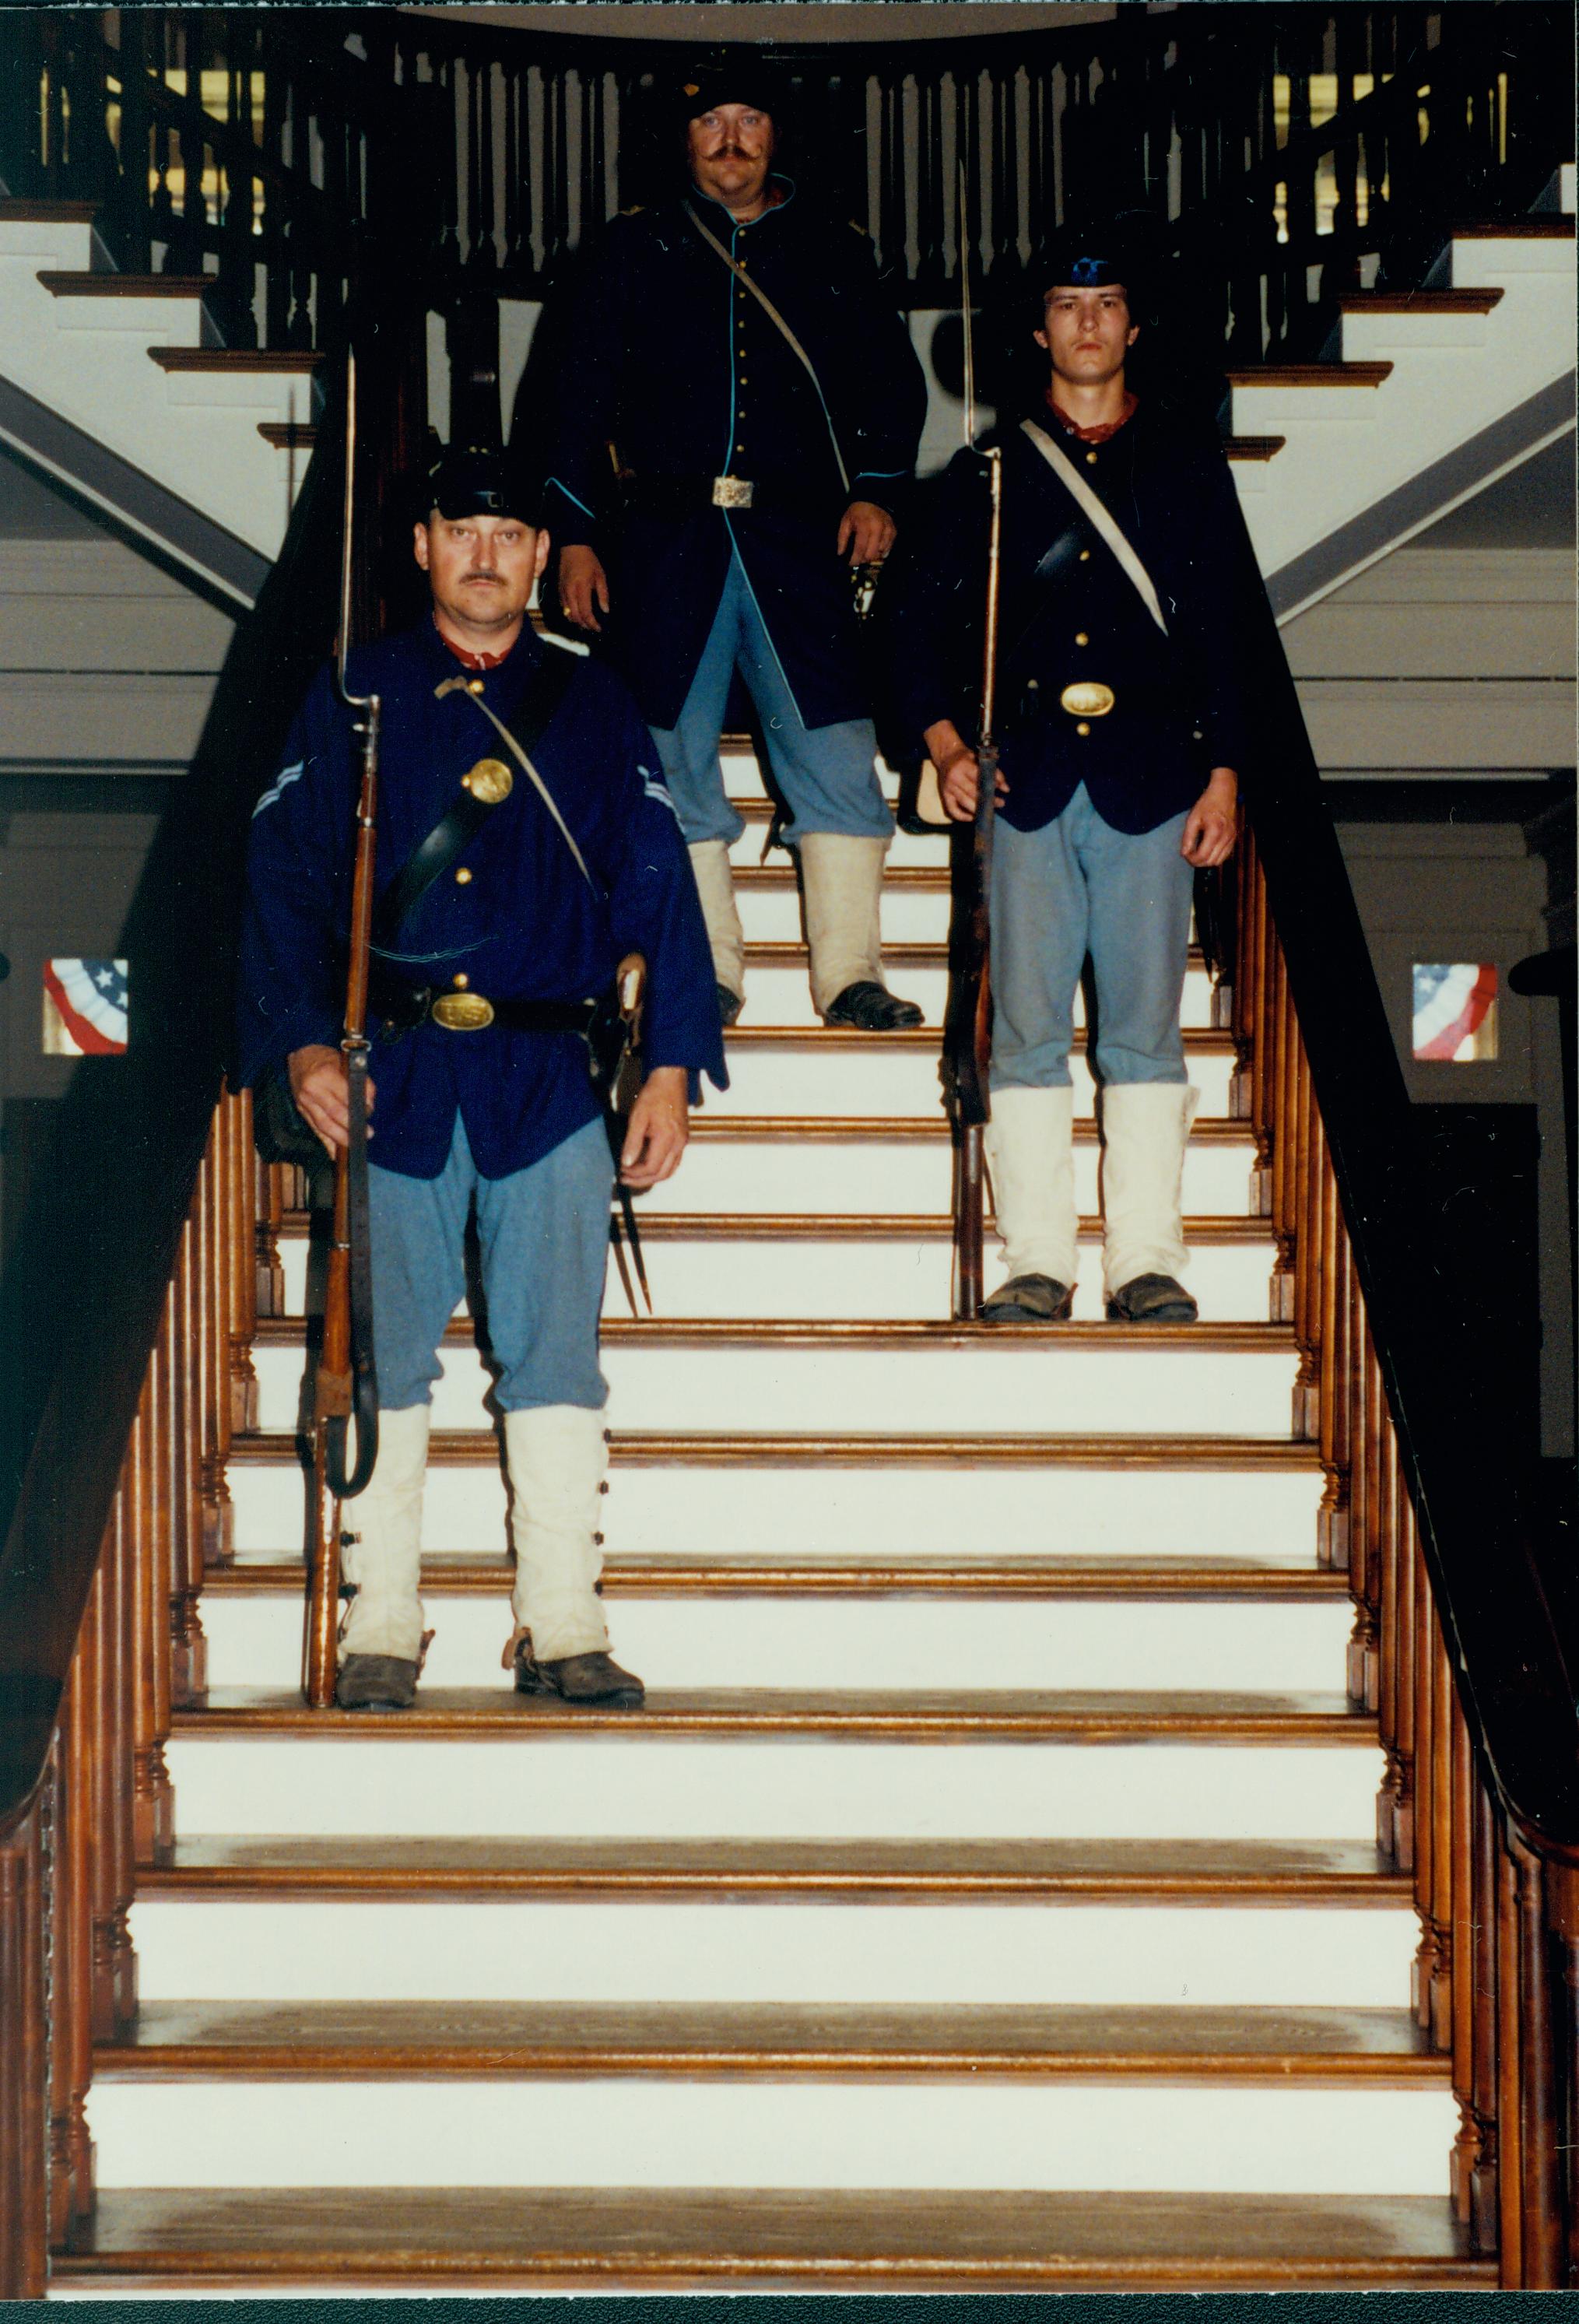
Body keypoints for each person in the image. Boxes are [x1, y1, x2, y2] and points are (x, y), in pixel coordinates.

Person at [237, 448, 725, 1711]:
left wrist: (668, 1063)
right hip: (387, 1077)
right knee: (387, 1356)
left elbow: (655, 879)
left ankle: (561, 1622)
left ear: (531, 556)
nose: (488, 553)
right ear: (422, 547)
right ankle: (380, 1623)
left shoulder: (595, 697)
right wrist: (298, 1041)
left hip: (548, 1082)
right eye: (463, 529)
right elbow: (284, 878)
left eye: (511, 533)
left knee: (555, 1357)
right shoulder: (355, 689)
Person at [884, 230, 1249, 1325]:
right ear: (1038, 330)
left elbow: (1228, 635)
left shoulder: (1186, 467)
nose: (1085, 324)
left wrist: (1225, 770)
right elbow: (908, 629)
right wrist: (946, 745)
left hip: (1149, 782)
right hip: (1024, 784)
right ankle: (1035, 1259)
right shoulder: (983, 477)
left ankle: (1146, 1259)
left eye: (1105, 305)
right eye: (1063, 306)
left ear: (1132, 327)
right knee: (1025, 1028)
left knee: (1144, 1028)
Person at [542, 58, 930, 1032]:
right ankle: (704, 967)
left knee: (838, 747)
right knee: (669, 754)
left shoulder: (836, 251)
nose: (729, 138)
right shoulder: (630, 250)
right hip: (662, 545)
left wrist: (879, 489)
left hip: (801, 541)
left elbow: (888, 384)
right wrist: (579, 536)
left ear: (775, 137)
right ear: (683, 141)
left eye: (748, 120)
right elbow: (568, 404)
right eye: (711, 121)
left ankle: (850, 973)